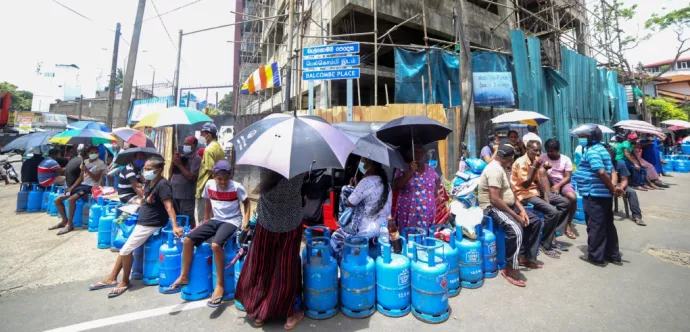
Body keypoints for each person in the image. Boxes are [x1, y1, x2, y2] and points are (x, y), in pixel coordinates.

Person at [89, 157, 182, 297]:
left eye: (150, 169)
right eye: (145, 169)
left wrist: (175, 225)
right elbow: (146, 201)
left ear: (159, 170)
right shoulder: (150, 183)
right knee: (125, 247)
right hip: (142, 220)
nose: (146, 171)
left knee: (126, 250)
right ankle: (112, 277)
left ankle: (125, 281)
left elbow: (169, 206)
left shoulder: (163, 185)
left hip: (151, 223)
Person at [167, 160, 250, 307]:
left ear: (230, 176)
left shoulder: (237, 187)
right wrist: (204, 221)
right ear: (213, 176)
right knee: (187, 240)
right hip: (215, 219)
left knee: (216, 245)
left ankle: (220, 286)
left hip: (232, 221)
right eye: (219, 179)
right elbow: (208, 203)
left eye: (226, 179)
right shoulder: (209, 185)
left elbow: (247, 202)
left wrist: (245, 221)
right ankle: (184, 276)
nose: (223, 182)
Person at [235, 169, 305, 330]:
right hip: (291, 225)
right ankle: (289, 315)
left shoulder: (265, 165)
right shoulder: (299, 166)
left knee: (262, 267)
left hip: (266, 225)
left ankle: (259, 314)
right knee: (285, 269)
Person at [478, 144, 542, 287]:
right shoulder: (494, 170)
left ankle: (525, 256)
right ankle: (509, 269)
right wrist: (517, 216)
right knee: (516, 230)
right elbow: (494, 199)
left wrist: (522, 210)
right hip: (491, 207)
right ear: (509, 158)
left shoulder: (503, 168)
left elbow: (511, 192)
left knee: (535, 221)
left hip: (506, 204)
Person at [511, 140, 570, 259]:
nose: (538, 153)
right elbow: (526, 185)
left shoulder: (535, 160)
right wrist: (534, 167)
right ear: (527, 149)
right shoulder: (521, 162)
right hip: (523, 194)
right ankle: (545, 244)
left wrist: (546, 196)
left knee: (565, 202)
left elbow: (537, 181)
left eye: (539, 150)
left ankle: (552, 234)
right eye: (535, 150)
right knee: (552, 212)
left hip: (535, 192)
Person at [573, 128, 623, 266]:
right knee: (607, 224)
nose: (581, 138)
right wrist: (612, 188)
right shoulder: (603, 150)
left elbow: (600, 171)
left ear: (592, 137)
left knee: (595, 225)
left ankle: (596, 256)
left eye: (583, 136)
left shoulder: (593, 151)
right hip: (603, 193)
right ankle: (612, 254)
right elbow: (612, 171)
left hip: (593, 193)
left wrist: (612, 188)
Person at [331, 158, 392, 259]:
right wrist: (357, 186)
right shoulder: (387, 184)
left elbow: (350, 203)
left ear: (370, 163)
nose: (360, 163)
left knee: (336, 238)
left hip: (365, 231)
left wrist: (348, 189)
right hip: (382, 230)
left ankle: (344, 265)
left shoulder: (366, 182)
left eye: (362, 161)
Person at [49, 145, 105, 235]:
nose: (94, 154)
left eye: (96, 152)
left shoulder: (100, 163)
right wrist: (71, 187)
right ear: (87, 154)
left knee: (71, 200)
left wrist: (87, 170)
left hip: (91, 187)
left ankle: (70, 224)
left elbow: (96, 178)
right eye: (92, 153)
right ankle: (64, 221)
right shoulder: (84, 162)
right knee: (58, 200)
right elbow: (80, 178)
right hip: (82, 185)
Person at [393, 144, 440, 231]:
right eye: (416, 152)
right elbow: (396, 186)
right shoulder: (403, 168)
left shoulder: (430, 169)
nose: (419, 154)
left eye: (421, 152)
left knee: (425, 240)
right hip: (407, 214)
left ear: (424, 154)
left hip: (427, 215)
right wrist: (410, 171)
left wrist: (434, 193)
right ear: (410, 155)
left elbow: (438, 181)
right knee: (408, 239)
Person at [541, 138, 578, 240]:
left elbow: (567, 177)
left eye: (552, 151)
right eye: (548, 150)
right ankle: (552, 226)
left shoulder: (565, 159)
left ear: (558, 150)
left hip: (562, 182)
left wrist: (558, 186)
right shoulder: (542, 157)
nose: (550, 153)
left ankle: (568, 224)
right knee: (549, 199)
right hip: (547, 181)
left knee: (572, 198)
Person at [196, 123, 225, 224]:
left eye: (202, 134)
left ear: (209, 135)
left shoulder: (208, 150)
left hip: (206, 188)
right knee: (214, 218)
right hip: (216, 189)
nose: (200, 136)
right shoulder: (219, 147)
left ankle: (205, 239)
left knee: (203, 219)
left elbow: (212, 171)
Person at [608, 148, 645, 226]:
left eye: (612, 155)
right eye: (608, 156)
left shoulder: (620, 164)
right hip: (607, 186)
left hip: (620, 185)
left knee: (632, 192)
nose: (610, 157)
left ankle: (637, 216)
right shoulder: (601, 165)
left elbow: (624, 179)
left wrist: (621, 188)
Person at [169, 136, 201, 227]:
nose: (185, 146)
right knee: (176, 220)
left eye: (188, 144)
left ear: (194, 145)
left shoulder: (196, 159)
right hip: (175, 194)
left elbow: (192, 177)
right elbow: (170, 173)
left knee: (187, 221)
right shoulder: (182, 157)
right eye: (184, 143)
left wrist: (179, 165)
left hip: (186, 196)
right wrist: (173, 162)